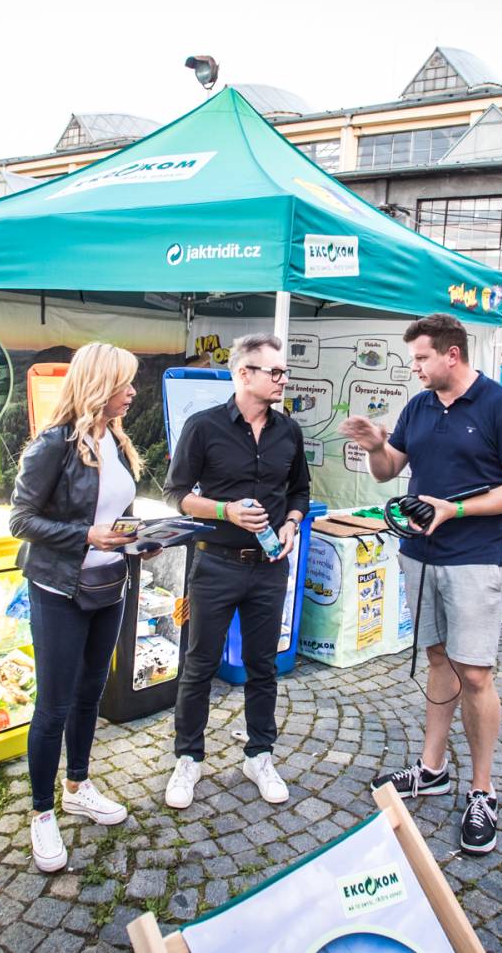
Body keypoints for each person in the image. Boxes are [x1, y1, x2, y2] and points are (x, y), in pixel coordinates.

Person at [339, 313, 502, 855]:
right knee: (435, 659)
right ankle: (432, 769)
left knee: (474, 672)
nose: (416, 368)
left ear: (452, 354)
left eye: (422, 358)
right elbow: (388, 471)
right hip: (418, 553)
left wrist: (455, 509)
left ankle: (483, 789)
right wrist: (376, 444)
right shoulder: (419, 406)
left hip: (475, 555)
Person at [9, 342, 143, 873]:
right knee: (54, 706)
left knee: (90, 696)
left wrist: (140, 538)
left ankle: (77, 786)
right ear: (97, 385)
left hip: (109, 587)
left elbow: (120, 514)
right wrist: (86, 535)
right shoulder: (54, 445)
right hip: (60, 590)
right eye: (124, 383)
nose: (134, 392)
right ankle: (42, 813)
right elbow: (20, 520)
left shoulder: (116, 439)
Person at [162, 333, 310, 809]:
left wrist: (291, 523)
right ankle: (189, 758)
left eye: (283, 372)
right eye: (275, 372)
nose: (283, 379)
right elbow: (176, 493)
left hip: (269, 567)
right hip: (215, 564)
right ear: (243, 374)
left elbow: (300, 491)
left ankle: (259, 754)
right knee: (200, 665)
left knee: (263, 667)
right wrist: (225, 511)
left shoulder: (289, 431)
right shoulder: (203, 427)